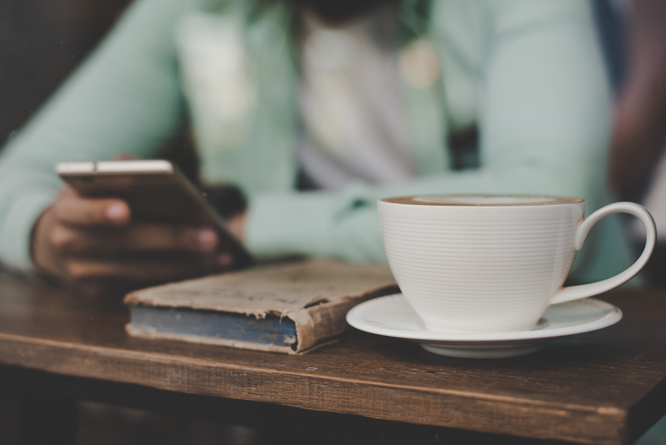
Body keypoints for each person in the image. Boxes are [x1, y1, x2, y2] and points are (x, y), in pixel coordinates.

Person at [0, 0, 618, 292]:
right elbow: (14, 173)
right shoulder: (192, 10)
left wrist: (254, 224)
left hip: (560, 356)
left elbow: (554, 206)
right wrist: (44, 235)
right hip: (322, 358)